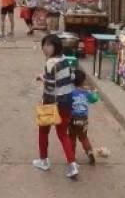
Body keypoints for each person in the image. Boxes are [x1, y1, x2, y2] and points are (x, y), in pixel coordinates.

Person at [33, 34, 78, 179]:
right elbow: (72, 77)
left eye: (48, 45)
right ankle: (72, 164)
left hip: (52, 102)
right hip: (67, 101)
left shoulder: (50, 63)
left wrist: (42, 78)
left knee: (43, 131)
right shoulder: (65, 60)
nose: (45, 48)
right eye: (44, 45)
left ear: (55, 47)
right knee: (63, 134)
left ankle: (44, 160)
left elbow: (51, 86)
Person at [69, 69, 99, 165]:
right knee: (84, 137)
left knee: (72, 137)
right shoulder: (86, 92)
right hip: (83, 119)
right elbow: (94, 99)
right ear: (83, 81)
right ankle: (89, 152)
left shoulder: (70, 92)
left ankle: (72, 157)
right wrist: (95, 92)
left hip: (72, 119)